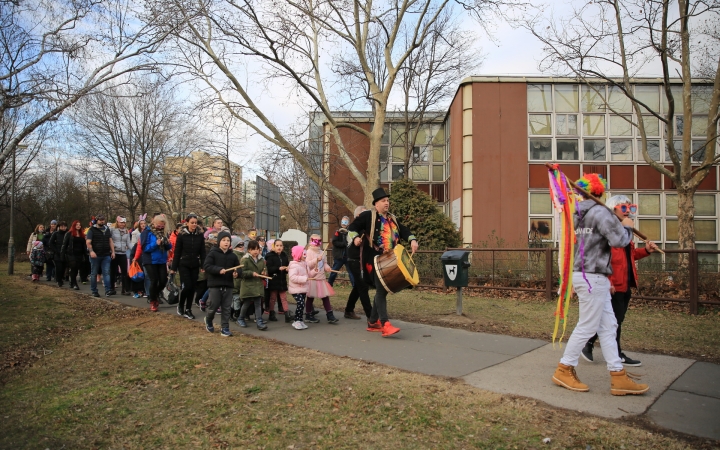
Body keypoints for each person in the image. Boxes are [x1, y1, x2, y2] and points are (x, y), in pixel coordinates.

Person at [551, 174, 649, 396]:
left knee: (608, 326)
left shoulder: (575, 213)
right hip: (592, 276)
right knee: (587, 325)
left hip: (590, 275)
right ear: (601, 192)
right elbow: (620, 241)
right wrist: (627, 226)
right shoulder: (600, 212)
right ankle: (564, 368)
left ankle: (618, 375)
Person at [581, 196, 659, 367]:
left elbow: (629, 256)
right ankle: (612, 353)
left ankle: (589, 345)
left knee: (613, 320)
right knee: (613, 321)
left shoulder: (624, 232)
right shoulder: (610, 232)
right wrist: (608, 282)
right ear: (613, 210)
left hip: (625, 284)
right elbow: (603, 258)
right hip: (613, 285)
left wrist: (645, 250)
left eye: (631, 208)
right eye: (624, 208)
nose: (628, 212)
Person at [347, 187, 419, 337]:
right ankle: (385, 323)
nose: (387, 203)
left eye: (387, 200)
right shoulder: (368, 215)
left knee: (383, 290)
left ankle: (373, 321)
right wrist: (355, 238)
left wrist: (412, 239)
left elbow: (404, 230)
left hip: (390, 258)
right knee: (381, 289)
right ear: (376, 204)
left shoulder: (392, 218)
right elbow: (352, 227)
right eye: (383, 201)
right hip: (374, 258)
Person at [203, 230, 240, 337]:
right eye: (223, 240)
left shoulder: (233, 256)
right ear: (219, 241)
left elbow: (238, 269)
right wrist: (218, 270)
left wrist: (236, 273)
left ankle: (225, 328)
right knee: (213, 306)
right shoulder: (213, 253)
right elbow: (207, 266)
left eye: (228, 240)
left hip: (228, 285)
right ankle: (209, 319)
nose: (226, 242)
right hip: (215, 284)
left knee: (226, 308)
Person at [169, 214, 207, 320]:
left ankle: (188, 309)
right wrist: (173, 268)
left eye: (195, 223)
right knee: (187, 286)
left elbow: (202, 252)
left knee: (192, 288)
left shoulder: (199, 235)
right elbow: (177, 252)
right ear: (187, 223)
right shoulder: (182, 235)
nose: (194, 225)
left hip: (195, 264)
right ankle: (181, 304)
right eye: (192, 223)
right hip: (183, 264)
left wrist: (203, 265)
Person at [134, 214, 172, 312]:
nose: (160, 228)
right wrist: (155, 244)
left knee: (163, 280)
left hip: (161, 259)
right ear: (153, 223)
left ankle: (154, 294)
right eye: (158, 226)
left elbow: (169, 247)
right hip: (150, 260)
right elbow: (144, 248)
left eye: (162, 226)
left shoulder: (163, 233)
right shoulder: (146, 232)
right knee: (154, 280)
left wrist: (167, 243)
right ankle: (153, 301)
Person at [343, 206, 372, 320]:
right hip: (354, 261)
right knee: (363, 286)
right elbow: (351, 235)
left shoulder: (365, 228)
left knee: (358, 287)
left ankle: (348, 310)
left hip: (362, 260)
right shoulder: (352, 228)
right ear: (358, 216)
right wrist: (355, 239)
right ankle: (371, 316)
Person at [304, 234, 338, 324]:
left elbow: (325, 263)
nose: (318, 243)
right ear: (311, 241)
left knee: (325, 297)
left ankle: (330, 315)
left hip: (321, 278)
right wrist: (316, 260)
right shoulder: (309, 252)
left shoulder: (321, 252)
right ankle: (308, 314)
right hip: (313, 278)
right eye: (316, 241)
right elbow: (307, 265)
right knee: (310, 297)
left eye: (319, 241)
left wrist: (327, 267)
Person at [237, 240, 268, 331]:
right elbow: (241, 273)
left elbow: (265, 270)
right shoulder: (245, 259)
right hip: (248, 286)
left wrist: (264, 272)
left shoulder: (261, 259)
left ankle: (259, 321)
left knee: (258, 304)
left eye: (257, 249)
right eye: (253, 249)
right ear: (249, 250)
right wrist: (251, 273)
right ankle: (240, 318)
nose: (255, 251)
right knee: (246, 303)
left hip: (258, 286)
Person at [86, 215, 115, 298]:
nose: (102, 221)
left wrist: (113, 251)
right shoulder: (92, 230)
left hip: (106, 254)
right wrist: (91, 251)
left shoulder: (106, 229)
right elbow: (88, 242)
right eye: (100, 220)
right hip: (95, 255)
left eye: (103, 220)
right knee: (94, 273)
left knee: (106, 272)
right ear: (97, 220)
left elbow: (110, 241)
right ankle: (94, 290)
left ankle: (108, 290)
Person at [266, 239, 291, 323]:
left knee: (284, 297)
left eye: (281, 246)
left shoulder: (284, 255)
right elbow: (269, 268)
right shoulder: (270, 256)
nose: (279, 247)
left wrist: (287, 269)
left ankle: (287, 314)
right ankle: (271, 313)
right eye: (277, 245)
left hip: (282, 279)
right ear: (274, 246)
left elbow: (287, 265)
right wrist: (277, 268)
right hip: (274, 279)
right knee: (273, 298)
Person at [288, 245, 309, 330]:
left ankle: (300, 320)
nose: (305, 255)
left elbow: (308, 274)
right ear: (298, 254)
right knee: (300, 303)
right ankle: (296, 320)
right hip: (295, 289)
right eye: (304, 254)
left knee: (302, 304)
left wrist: (314, 272)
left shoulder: (304, 264)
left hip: (303, 288)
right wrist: (304, 279)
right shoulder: (293, 265)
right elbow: (292, 277)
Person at [61, 220, 87, 290]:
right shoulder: (69, 234)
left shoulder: (82, 235)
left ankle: (72, 282)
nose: (78, 226)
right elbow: (64, 245)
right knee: (73, 267)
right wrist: (62, 255)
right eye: (77, 225)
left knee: (76, 269)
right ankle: (74, 283)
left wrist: (86, 255)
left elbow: (84, 246)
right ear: (74, 226)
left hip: (80, 254)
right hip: (71, 254)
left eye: (79, 225)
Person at [328, 216, 353, 287]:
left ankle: (354, 286)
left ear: (348, 223)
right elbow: (334, 242)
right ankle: (329, 284)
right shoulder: (337, 232)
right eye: (343, 222)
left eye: (345, 222)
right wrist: (343, 244)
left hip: (348, 256)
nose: (344, 224)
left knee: (351, 272)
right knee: (334, 271)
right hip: (339, 256)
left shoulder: (350, 233)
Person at [110, 216, 132, 295]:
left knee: (124, 272)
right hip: (115, 253)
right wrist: (112, 249)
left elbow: (128, 243)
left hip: (123, 253)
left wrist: (134, 250)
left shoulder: (127, 231)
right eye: (121, 222)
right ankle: (111, 288)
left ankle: (125, 289)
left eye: (123, 222)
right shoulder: (112, 230)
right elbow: (110, 240)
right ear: (117, 222)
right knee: (113, 271)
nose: (122, 224)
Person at [48, 221, 68, 287]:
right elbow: (51, 243)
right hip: (57, 253)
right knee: (58, 267)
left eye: (64, 226)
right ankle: (59, 280)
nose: (63, 228)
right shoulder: (56, 234)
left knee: (63, 267)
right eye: (62, 226)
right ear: (59, 227)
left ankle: (61, 278)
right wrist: (56, 250)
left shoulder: (68, 234)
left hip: (65, 253)